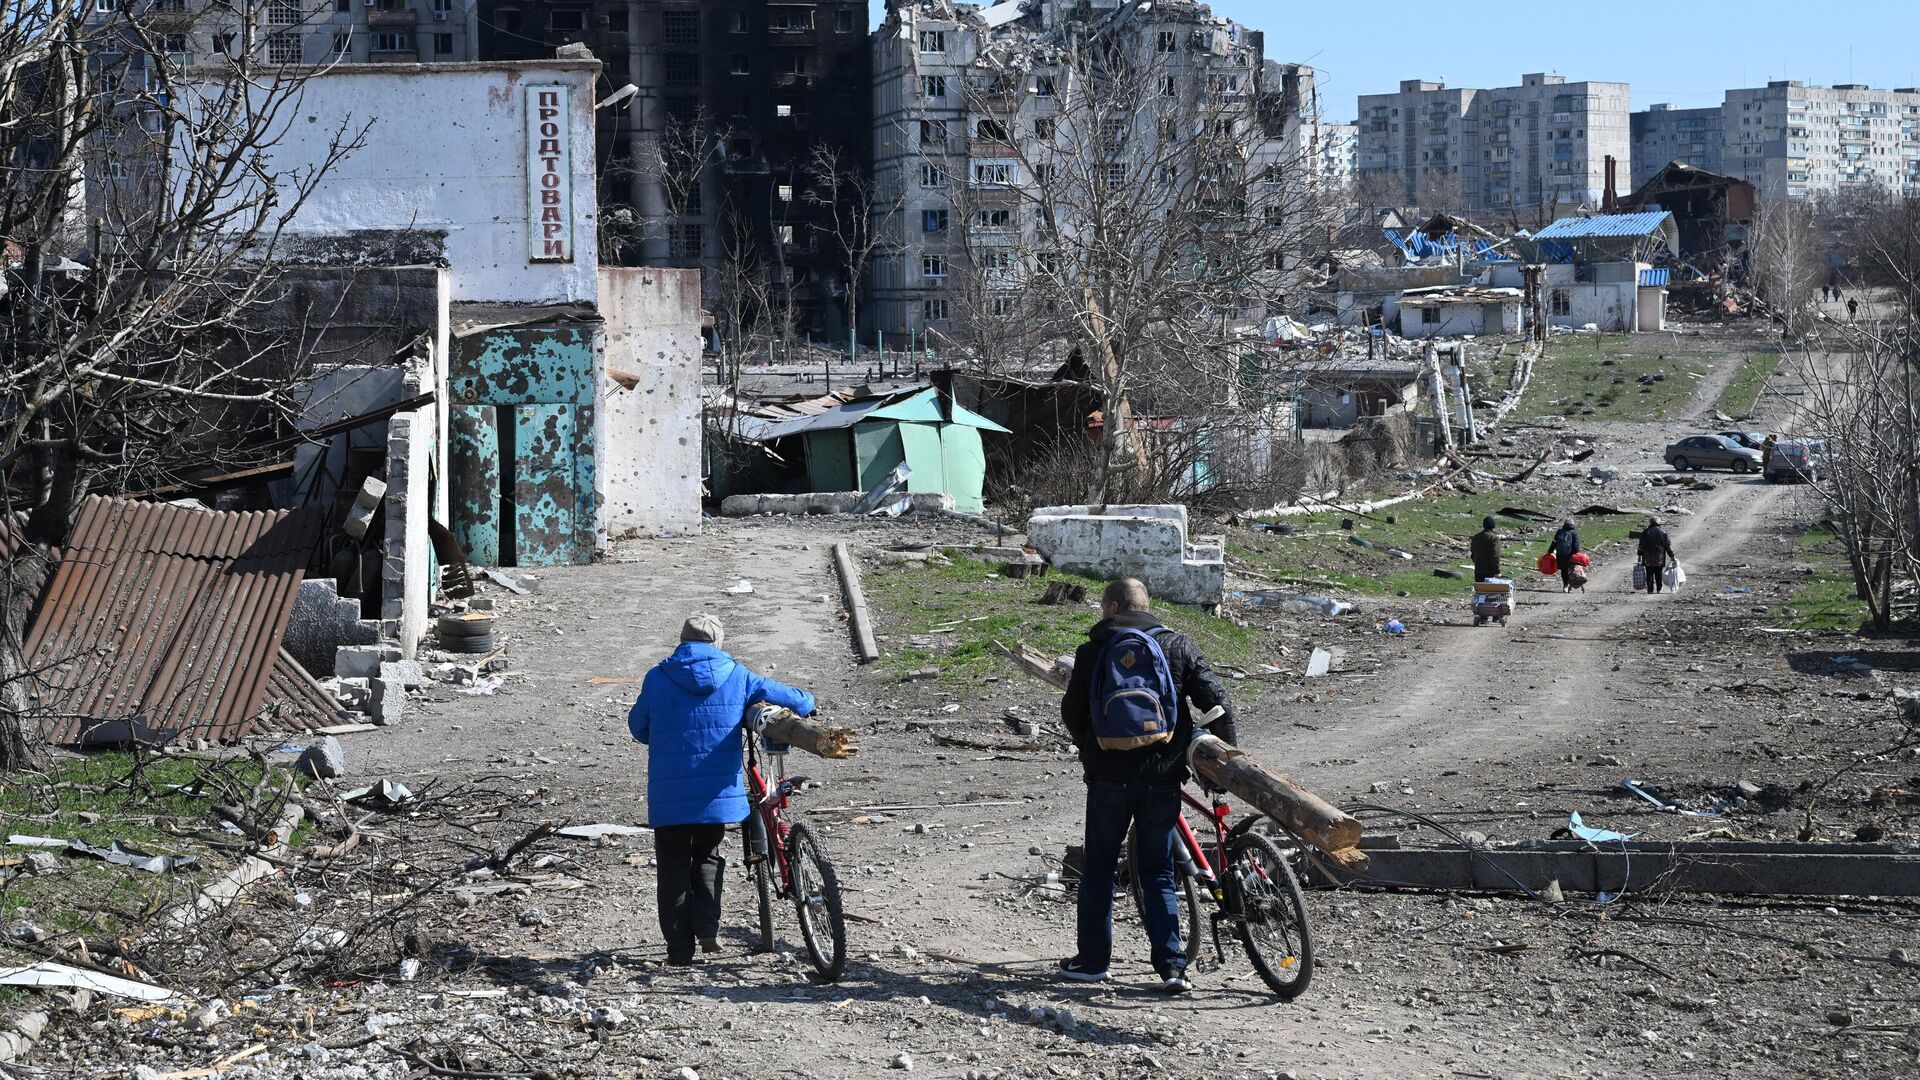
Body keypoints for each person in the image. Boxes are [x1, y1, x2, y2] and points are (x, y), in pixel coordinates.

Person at [1059, 578, 1236, 994]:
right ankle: (1173, 968)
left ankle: (1092, 963)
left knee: (1100, 867)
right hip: (1162, 778)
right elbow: (1219, 702)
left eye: (1103, 607)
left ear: (1114, 606)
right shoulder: (1177, 646)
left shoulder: (1092, 650)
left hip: (1108, 780)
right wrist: (1225, 763)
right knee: (1158, 870)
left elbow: (1072, 713)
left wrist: (1093, 755)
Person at [628, 614, 816, 966]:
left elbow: (638, 727)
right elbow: (793, 698)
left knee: (672, 867)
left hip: (669, 797)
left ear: (682, 642)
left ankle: (679, 950)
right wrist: (809, 702)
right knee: (708, 856)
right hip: (716, 794)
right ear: (718, 644)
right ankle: (708, 928)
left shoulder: (657, 677)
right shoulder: (737, 674)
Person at [1638, 518, 1676, 595]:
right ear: (1659, 522)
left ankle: (1650, 589)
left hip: (1647, 556)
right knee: (1658, 573)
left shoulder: (1645, 532)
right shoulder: (1663, 532)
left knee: (1649, 573)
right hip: (1659, 556)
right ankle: (1659, 588)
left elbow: (1641, 545)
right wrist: (1672, 556)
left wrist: (1639, 554)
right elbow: (1667, 546)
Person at [1549, 520, 1582, 593]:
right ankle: (1571, 584)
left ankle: (1565, 586)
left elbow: (1554, 542)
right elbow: (1576, 546)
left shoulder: (1559, 532)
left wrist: (1549, 552)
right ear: (1572, 524)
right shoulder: (1574, 533)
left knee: (1564, 570)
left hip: (1560, 554)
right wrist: (1577, 555)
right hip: (1570, 555)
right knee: (1571, 570)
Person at [1470, 516, 1501, 582]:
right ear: (1493, 526)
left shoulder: (1476, 537)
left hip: (1478, 570)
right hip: (1490, 572)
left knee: (1479, 591)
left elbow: (1472, 553)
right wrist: (1497, 571)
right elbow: (1495, 556)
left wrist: (1477, 563)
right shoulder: (1494, 538)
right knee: (1489, 591)